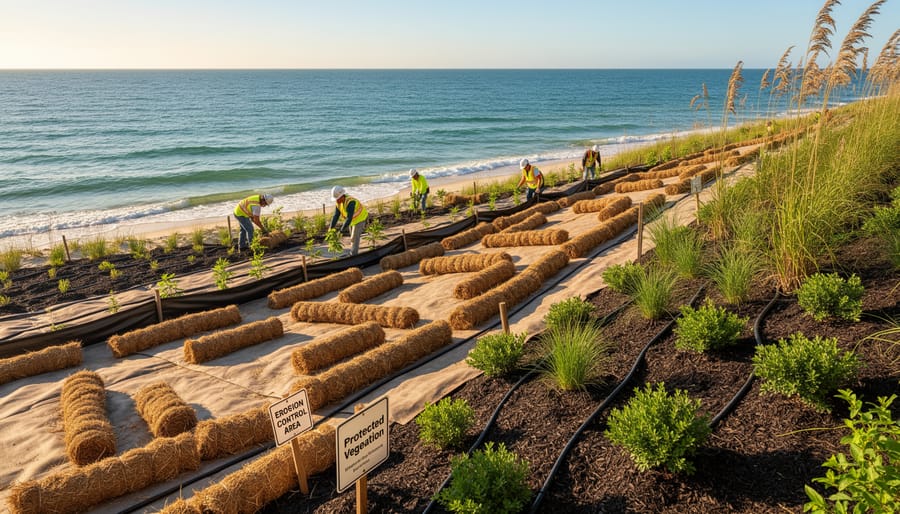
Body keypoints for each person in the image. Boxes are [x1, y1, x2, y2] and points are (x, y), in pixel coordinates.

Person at [329, 185, 369, 256]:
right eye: (335, 199)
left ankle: (353, 255)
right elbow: (336, 216)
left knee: (354, 237)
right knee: (352, 237)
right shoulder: (338, 203)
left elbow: (349, 218)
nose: (336, 200)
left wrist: (341, 231)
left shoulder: (350, 202)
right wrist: (331, 228)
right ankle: (352, 252)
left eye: (337, 198)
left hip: (361, 218)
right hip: (353, 220)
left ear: (342, 196)